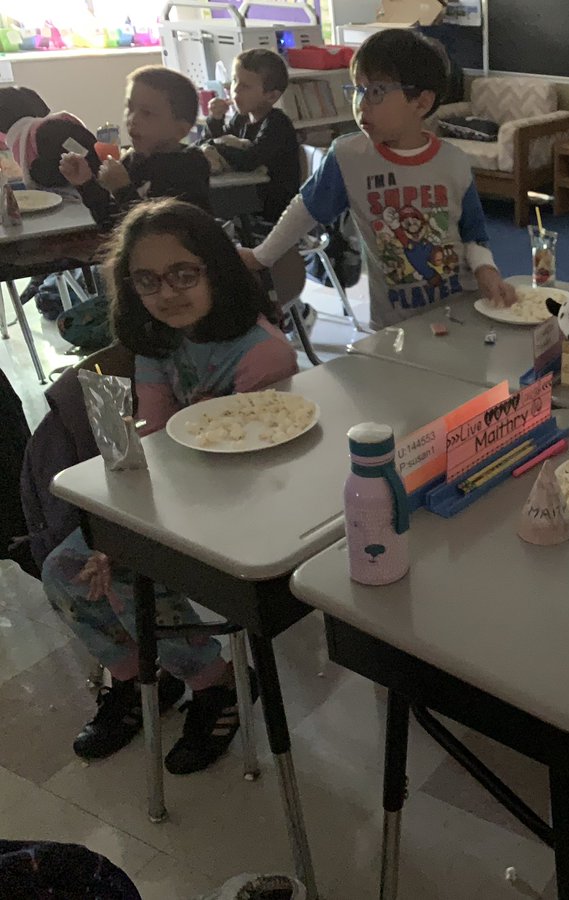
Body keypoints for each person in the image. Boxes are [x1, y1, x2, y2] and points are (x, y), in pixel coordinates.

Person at [40, 198, 297, 774]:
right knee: (65, 569)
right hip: (176, 496)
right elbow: (154, 436)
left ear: (217, 270)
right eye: (147, 281)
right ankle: (140, 677)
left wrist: (127, 542)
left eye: (184, 274)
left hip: (247, 507)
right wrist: (112, 530)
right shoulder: (159, 340)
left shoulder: (264, 356)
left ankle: (216, 682)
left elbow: (248, 467)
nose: (167, 292)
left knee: (129, 574)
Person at [240, 28, 517, 329]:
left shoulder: (454, 161)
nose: (361, 104)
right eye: (358, 89)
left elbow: (473, 234)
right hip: (393, 325)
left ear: (421, 103)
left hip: (460, 312)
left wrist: (486, 270)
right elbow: (305, 210)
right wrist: (261, 257)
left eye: (376, 92)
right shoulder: (349, 157)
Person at [59, 66, 210, 230]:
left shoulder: (189, 167)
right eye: (129, 108)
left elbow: (158, 235)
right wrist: (86, 183)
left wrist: (122, 190)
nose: (133, 119)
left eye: (147, 113)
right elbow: (113, 226)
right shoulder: (132, 161)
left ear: (180, 130)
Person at [202, 48, 301, 225]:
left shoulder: (277, 123)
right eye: (234, 81)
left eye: (245, 86)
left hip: (272, 204)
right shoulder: (241, 118)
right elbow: (210, 145)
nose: (235, 91)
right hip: (246, 193)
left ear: (271, 96)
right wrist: (215, 121)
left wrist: (216, 145)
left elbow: (249, 160)